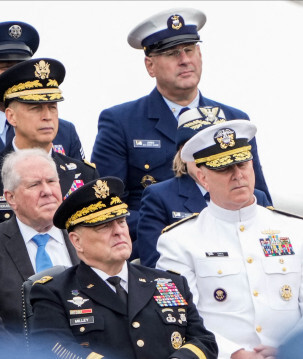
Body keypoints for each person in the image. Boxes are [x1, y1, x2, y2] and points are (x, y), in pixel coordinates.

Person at [91, 8, 271, 246]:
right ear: (150, 66)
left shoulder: (233, 121)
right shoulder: (121, 122)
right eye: (172, 53)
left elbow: (258, 196)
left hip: (237, 245)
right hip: (156, 249)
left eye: (189, 49)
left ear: (200, 55)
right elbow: (106, 205)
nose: (184, 60)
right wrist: (177, 225)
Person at [156, 120, 303, 359]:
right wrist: (233, 353)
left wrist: (289, 349)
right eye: (224, 168)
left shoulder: (296, 231)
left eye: (242, 164)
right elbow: (178, 318)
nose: (237, 175)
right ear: (201, 176)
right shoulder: (178, 241)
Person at [29, 176, 218, 359]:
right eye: (103, 226)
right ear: (76, 241)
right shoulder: (53, 293)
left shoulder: (171, 283)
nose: (118, 231)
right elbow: (53, 348)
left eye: (121, 222)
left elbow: (204, 341)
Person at [138, 106, 271, 267]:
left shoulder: (255, 197)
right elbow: (155, 264)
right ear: (183, 152)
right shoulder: (159, 197)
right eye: (201, 149)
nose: (208, 156)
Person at [0, 58, 99, 222]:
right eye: (36, 108)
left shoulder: (85, 174)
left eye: (52, 107)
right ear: (11, 116)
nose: (47, 117)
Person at [0, 149, 79, 336]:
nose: (47, 191)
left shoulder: (85, 234)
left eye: (51, 181)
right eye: (34, 184)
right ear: (11, 198)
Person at [0, 20, 86, 160]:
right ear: (11, 116)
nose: (15, 76)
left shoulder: (64, 131)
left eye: (22, 68)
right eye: (6, 67)